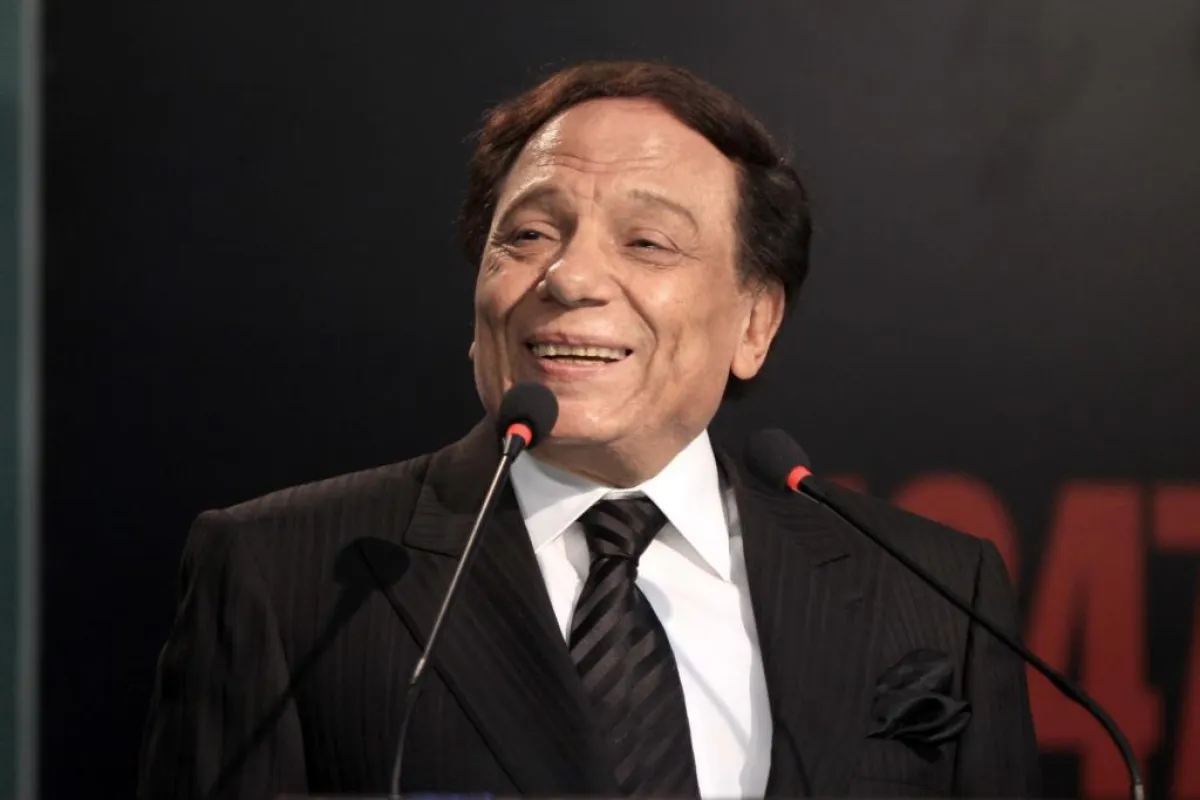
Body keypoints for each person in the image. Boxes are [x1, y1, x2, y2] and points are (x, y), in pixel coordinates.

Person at [138, 61, 1039, 798]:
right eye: (529, 235)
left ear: (755, 324)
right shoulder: (287, 574)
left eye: (647, 243)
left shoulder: (934, 594)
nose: (569, 278)